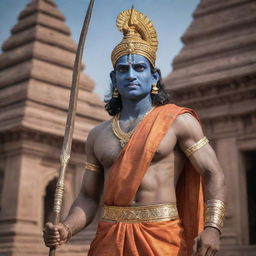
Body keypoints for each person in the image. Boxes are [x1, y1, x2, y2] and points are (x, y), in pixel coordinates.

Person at [43, 7, 226, 256]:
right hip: (110, 238)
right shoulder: (97, 135)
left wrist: (213, 227)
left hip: (161, 238)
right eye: (123, 70)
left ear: (154, 76)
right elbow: (87, 197)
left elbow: (212, 172)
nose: (131, 75)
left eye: (139, 68)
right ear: (114, 78)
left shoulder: (177, 121)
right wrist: (66, 228)